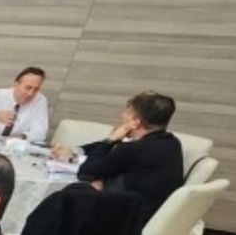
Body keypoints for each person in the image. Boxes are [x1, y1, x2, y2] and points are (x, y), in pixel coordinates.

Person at [52, 92, 183, 219]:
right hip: (150, 215)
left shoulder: (134, 149)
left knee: (63, 198)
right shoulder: (172, 143)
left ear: (135, 123)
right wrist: (77, 152)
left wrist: (111, 139)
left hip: (124, 220)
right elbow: (108, 156)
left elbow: (86, 171)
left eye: (127, 113)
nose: (122, 116)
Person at [0, 67, 49, 143]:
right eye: (28, 88)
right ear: (16, 84)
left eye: (36, 89)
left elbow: (41, 132)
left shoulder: (39, 100)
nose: (30, 93)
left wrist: (22, 136)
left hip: (15, 145)